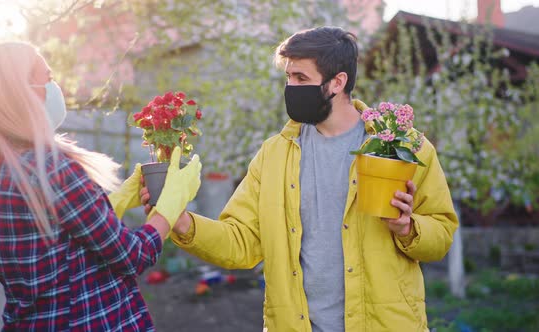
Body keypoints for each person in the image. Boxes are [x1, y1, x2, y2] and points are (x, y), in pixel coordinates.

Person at [143, 27, 459, 331]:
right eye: (288, 77)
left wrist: (408, 228)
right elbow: (241, 242)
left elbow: (442, 232)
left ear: (337, 82)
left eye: (301, 78)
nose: (291, 88)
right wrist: (180, 222)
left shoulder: (402, 146)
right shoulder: (274, 154)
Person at [0, 41, 201, 331]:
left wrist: (117, 201)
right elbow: (131, 257)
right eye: (47, 78)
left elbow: (64, 242)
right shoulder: (50, 167)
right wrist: (169, 207)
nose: (55, 87)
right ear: (21, 94)